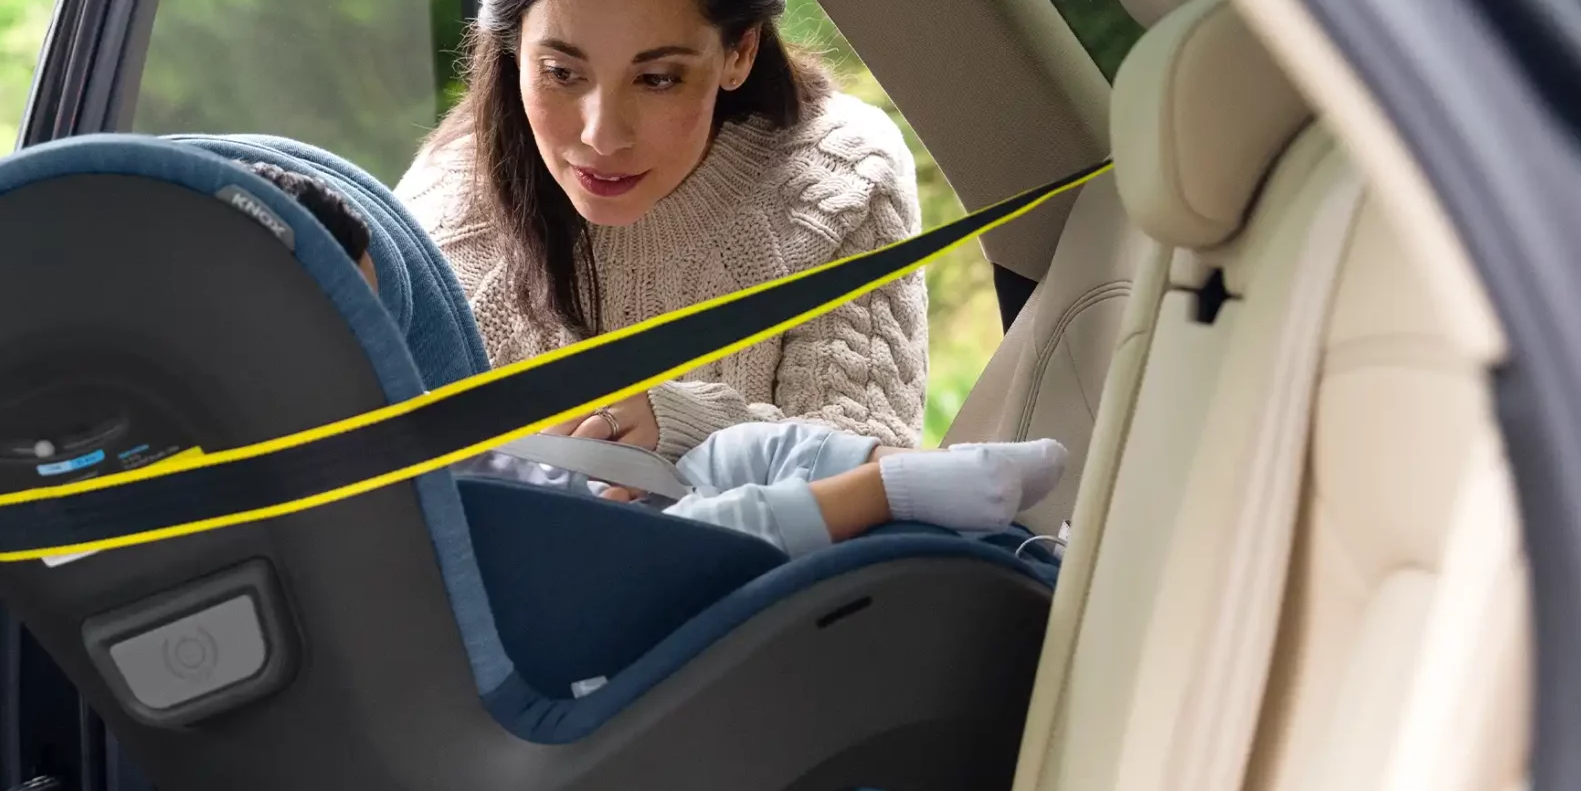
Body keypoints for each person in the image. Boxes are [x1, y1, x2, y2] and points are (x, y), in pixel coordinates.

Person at [225, 157, 1064, 559]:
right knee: (711, 530)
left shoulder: (396, 417)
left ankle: (926, 478)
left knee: (731, 453)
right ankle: (891, 489)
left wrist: (564, 452)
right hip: (574, 581)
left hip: (569, 500)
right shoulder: (311, 494)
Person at [398, 0, 926, 464]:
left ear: (740, 52)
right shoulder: (449, 204)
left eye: (657, 79)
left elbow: (876, 455)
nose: (601, 135)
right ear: (514, 50)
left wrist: (686, 425)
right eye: (562, 73)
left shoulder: (840, 179)